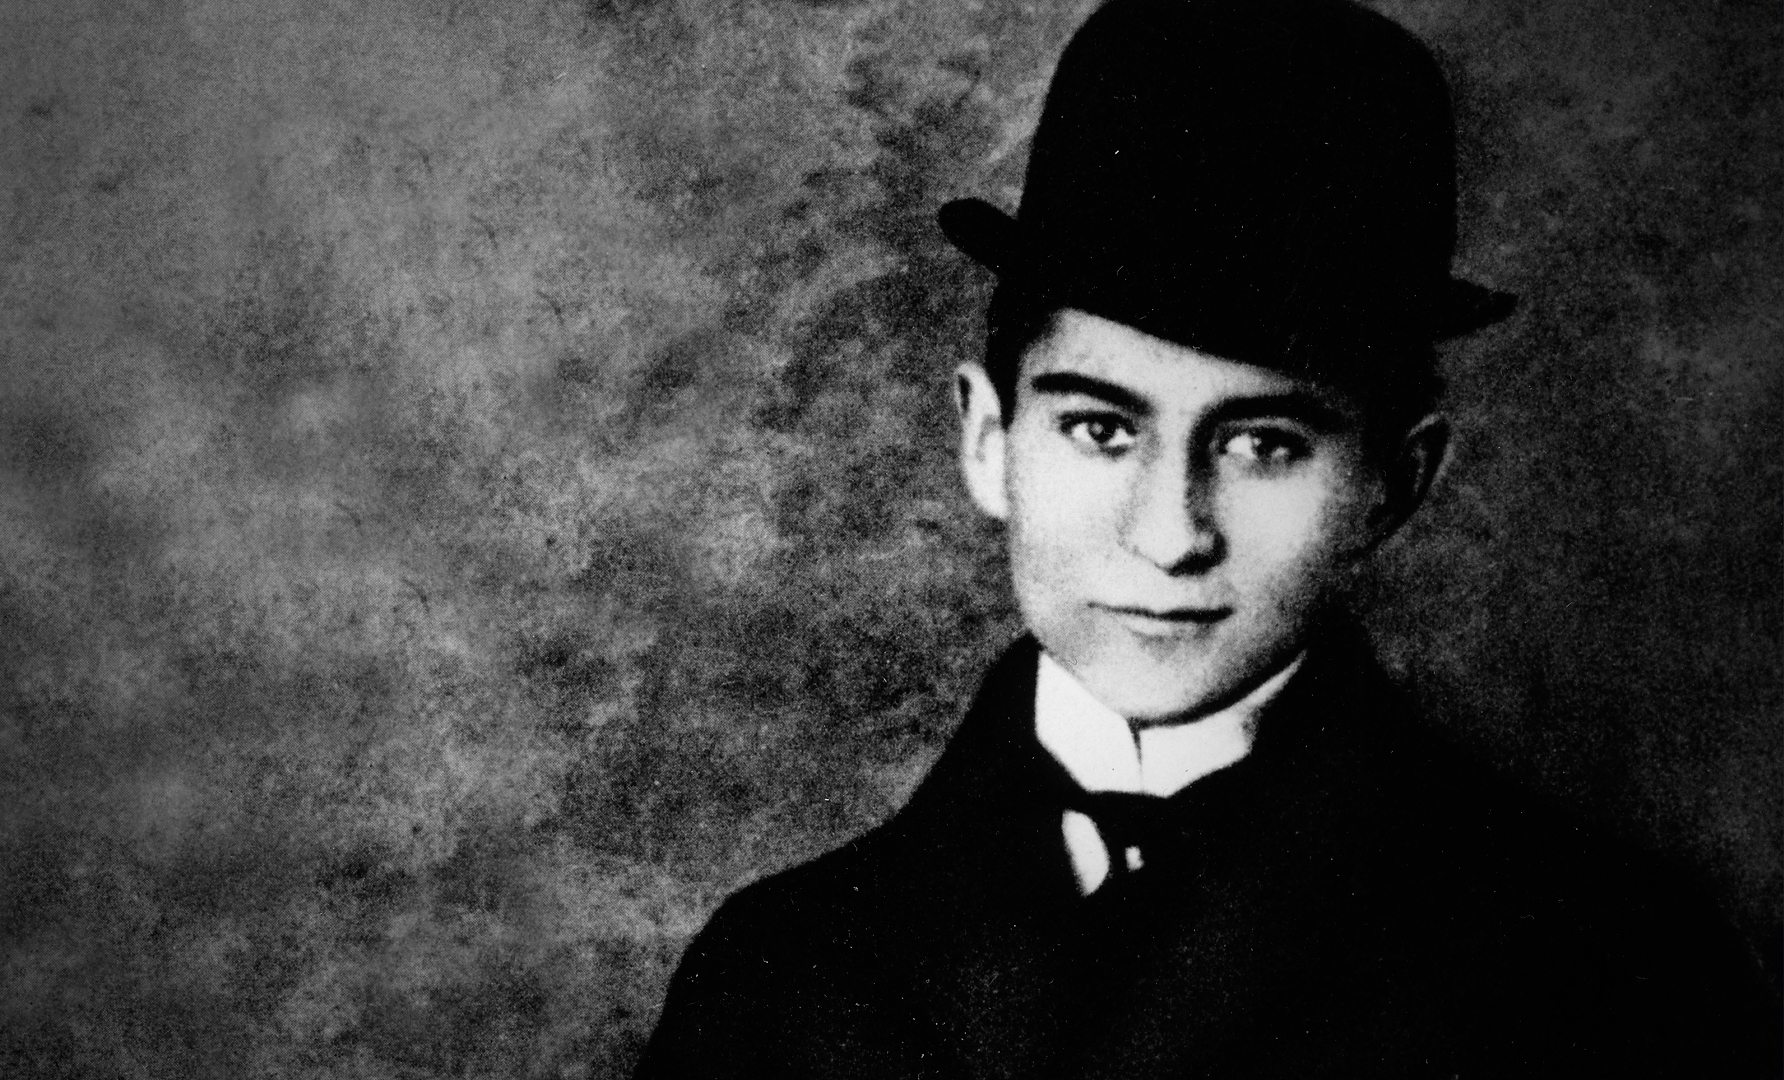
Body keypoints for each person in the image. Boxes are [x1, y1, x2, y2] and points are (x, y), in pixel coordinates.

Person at [634, 0, 1778, 1075]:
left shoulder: (1601, 960)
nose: (1172, 535)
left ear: (1395, 485)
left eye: (1264, 445)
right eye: (1099, 429)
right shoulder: (777, 970)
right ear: (987, 442)